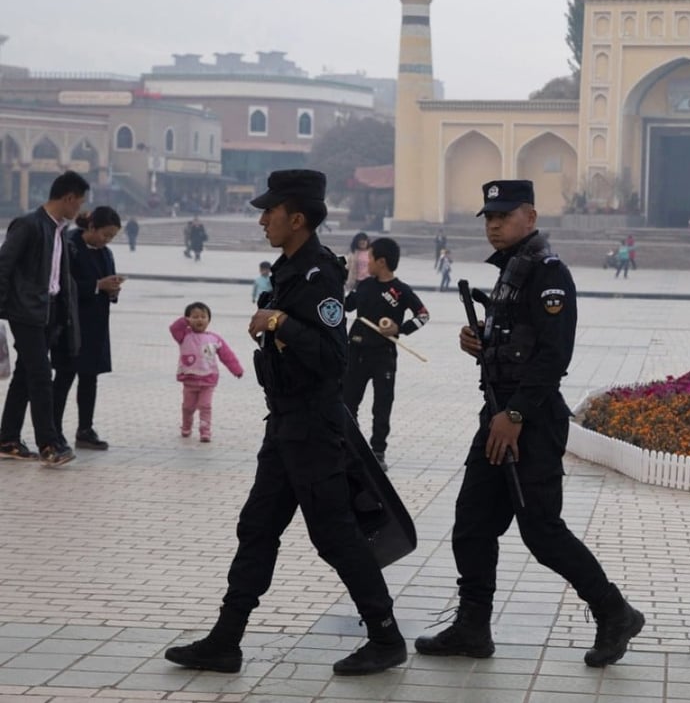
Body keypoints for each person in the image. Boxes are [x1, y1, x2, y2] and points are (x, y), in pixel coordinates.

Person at [164, 169, 408, 676]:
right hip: (285, 423)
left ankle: (385, 637)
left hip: (314, 427)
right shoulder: (288, 269)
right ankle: (225, 640)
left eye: (269, 211)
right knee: (256, 528)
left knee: (336, 535)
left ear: (296, 218)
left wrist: (279, 322)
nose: (261, 220)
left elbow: (331, 356)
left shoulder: (319, 275)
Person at [415, 179, 644, 668]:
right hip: (497, 416)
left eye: (504, 216)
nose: (494, 225)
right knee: (472, 523)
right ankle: (472, 627)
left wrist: (516, 414)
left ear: (531, 218)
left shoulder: (548, 274)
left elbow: (553, 356)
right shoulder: (511, 273)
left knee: (541, 531)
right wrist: (481, 340)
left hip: (529, 421)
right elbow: (518, 343)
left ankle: (614, 611)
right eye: (490, 218)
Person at [0, 170, 87, 467]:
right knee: (40, 376)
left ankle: (8, 438)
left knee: (26, 374)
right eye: (79, 203)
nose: (80, 210)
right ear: (69, 198)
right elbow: (4, 266)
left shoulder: (57, 229)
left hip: (47, 312)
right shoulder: (29, 225)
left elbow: (57, 277)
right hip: (26, 313)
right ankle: (49, 443)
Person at [343, 237, 429, 470]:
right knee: (348, 400)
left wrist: (399, 329)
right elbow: (344, 306)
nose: (366, 261)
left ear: (381, 262)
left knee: (382, 405)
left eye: (369, 258)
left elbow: (423, 316)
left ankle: (378, 451)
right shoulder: (364, 286)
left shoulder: (401, 291)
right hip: (356, 352)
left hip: (384, 356)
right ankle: (351, 445)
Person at [51, 206, 124, 451]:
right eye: (105, 234)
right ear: (91, 227)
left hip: (96, 326)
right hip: (71, 324)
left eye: (112, 237)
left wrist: (112, 289)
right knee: (64, 378)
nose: (107, 240)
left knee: (89, 378)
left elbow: (107, 286)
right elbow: (62, 285)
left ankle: (85, 429)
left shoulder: (106, 254)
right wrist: (96, 285)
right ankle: (53, 430)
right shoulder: (70, 246)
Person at [170, 302, 244, 442]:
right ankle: (186, 426)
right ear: (188, 319)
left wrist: (237, 370)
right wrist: (185, 321)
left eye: (203, 317)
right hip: (189, 378)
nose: (199, 320)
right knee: (188, 406)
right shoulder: (183, 336)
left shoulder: (214, 339)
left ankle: (205, 431)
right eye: (195, 317)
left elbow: (227, 355)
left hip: (208, 379)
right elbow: (174, 329)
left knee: (205, 406)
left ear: (209, 320)